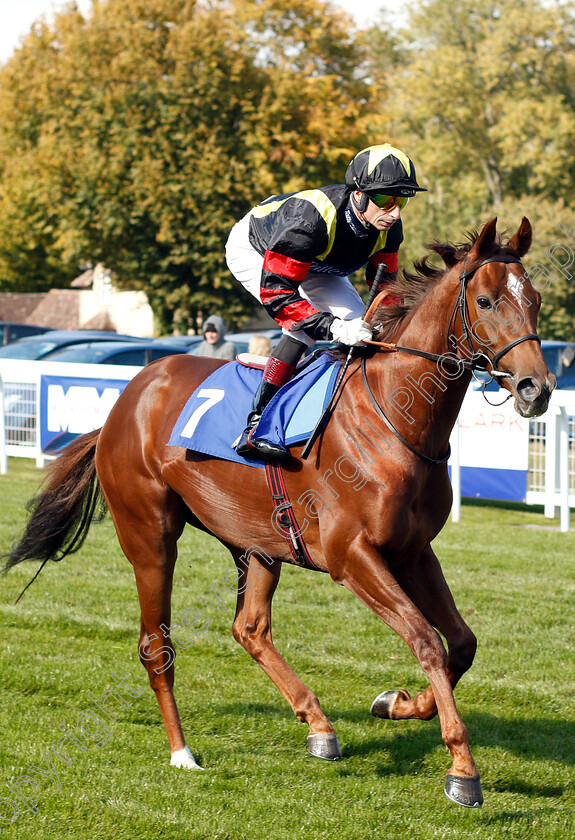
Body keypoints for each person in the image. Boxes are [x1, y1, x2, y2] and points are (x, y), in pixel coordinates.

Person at [225, 143, 426, 461]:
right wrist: (334, 328)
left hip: (315, 261)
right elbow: (280, 297)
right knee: (306, 328)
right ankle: (256, 426)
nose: (395, 211)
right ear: (358, 194)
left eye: (402, 200)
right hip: (257, 249)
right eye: (387, 199)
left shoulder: (389, 227)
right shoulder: (310, 220)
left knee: (365, 328)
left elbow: (386, 292)